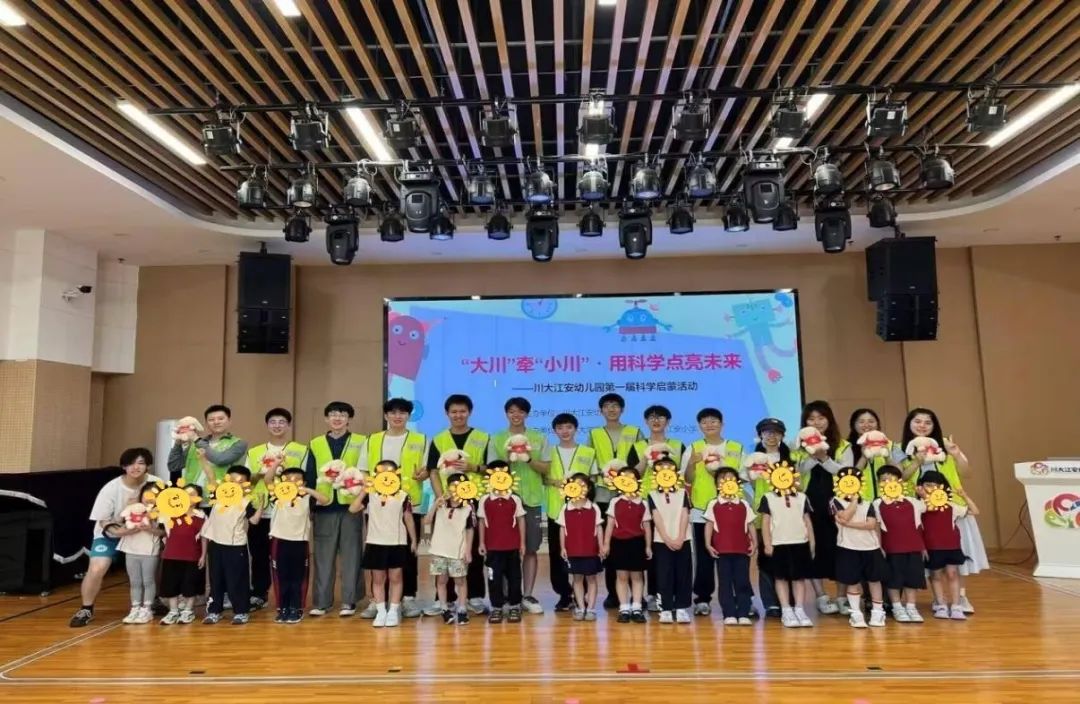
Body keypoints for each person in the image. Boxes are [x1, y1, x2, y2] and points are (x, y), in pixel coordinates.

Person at [900, 407, 987, 614]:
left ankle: (961, 597)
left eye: (928, 422)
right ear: (909, 424)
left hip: (953, 510)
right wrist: (917, 461)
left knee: (958, 556)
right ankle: (938, 599)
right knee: (933, 559)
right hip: (924, 512)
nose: (922, 425)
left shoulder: (947, 447)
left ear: (935, 426)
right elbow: (901, 478)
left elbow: (967, 473)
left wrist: (956, 455)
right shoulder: (903, 451)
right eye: (917, 421)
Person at [358, 398, 428, 618]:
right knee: (377, 554)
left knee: (407, 554)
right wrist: (369, 492)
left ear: (408, 416)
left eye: (402, 413)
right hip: (378, 507)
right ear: (386, 416)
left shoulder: (421, 439)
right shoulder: (372, 440)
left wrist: (423, 474)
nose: (398, 416)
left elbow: (428, 469)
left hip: (409, 504)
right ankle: (376, 601)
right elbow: (363, 470)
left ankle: (407, 598)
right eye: (393, 412)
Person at [70, 447, 154, 628]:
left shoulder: (156, 484)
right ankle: (86, 608)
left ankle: (154, 601)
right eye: (130, 463)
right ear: (124, 466)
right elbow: (102, 520)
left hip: (144, 534)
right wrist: (120, 532)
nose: (135, 467)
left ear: (148, 465)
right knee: (97, 567)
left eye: (140, 463)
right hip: (112, 533)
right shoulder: (111, 488)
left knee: (159, 561)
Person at [428, 394, 490, 614]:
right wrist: (441, 498)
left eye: (462, 411)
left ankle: (474, 596)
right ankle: (443, 599)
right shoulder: (438, 439)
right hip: (447, 504)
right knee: (445, 549)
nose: (458, 415)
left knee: (471, 549)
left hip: (474, 501)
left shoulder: (483, 437)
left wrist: (474, 467)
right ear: (447, 413)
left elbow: (492, 469)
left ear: (469, 412)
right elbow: (433, 471)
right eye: (454, 411)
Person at [304, 401, 367, 618]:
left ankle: (350, 600)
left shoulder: (361, 441)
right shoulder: (315, 443)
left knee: (352, 554)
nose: (337, 418)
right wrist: (311, 505)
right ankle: (322, 602)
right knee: (323, 556)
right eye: (332, 414)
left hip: (351, 506)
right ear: (326, 419)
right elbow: (310, 475)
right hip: (324, 506)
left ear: (349, 419)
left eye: (342, 414)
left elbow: (366, 472)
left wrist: (362, 501)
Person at [489, 397, 549, 615]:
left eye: (521, 411)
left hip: (531, 500)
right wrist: (508, 457)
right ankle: (507, 596)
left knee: (530, 549)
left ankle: (528, 595)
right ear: (506, 414)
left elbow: (546, 468)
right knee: (504, 550)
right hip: (503, 501)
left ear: (526, 414)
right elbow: (492, 470)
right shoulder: (497, 439)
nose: (516, 415)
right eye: (512, 411)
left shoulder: (538, 438)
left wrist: (528, 458)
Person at [683, 407, 744, 616]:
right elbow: (687, 479)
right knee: (703, 558)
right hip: (701, 511)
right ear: (699, 426)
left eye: (713, 421)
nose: (709, 425)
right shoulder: (694, 448)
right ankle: (702, 599)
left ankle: (740, 598)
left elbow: (744, 476)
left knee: (734, 557)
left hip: (731, 511)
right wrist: (691, 464)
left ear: (722, 423)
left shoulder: (736, 447)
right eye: (704, 422)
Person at [246, 407, 307, 612]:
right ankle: (259, 593)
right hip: (261, 508)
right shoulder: (254, 452)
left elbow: (306, 478)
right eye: (273, 421)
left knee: (287, 556)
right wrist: (261, 474)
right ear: (267, 425)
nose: (277, 425)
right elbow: (247, 481)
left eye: (282, 422)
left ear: (288, 425)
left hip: (288, 511)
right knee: (259, 554)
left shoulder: (301, 450)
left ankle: (288, 597)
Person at [587, 393, 642, 609]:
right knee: (611, 546)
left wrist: (629, 481)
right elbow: (590, 464)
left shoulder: (634, 432)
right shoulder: (594, 434)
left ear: (622, 409)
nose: (611, 409)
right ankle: (613, 593)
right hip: (603, 495)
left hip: (630, 496)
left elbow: (641, 462)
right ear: (601, 410)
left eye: (616, 405)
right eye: (607, 406)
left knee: (633, 545)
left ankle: (637, 597)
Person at [627, 404, 683, 612]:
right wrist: (646, 457)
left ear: (668, 421)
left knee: (669, 549)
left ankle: (672, 592)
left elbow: (683, 474)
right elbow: (632, 475)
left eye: (660, 417)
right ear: (646, 422)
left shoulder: (677, 445)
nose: (656, 420)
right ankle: (652, 594)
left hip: (671, 504)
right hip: (645, 503)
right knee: (649, 550)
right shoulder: (638, 446)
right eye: (651, 417)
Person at [793, 400, 846, 616]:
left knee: (841, 548)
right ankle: (821, 596)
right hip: (809, 504)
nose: (816, 422)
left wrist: (824, 457)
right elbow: (796, 474)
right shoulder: (797, 447)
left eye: (821, 418)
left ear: (829, 420)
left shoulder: (842, 445)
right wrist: (811, 455)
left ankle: (842, 596)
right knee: (813, 548)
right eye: (811, 419)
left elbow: (846, 473)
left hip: (838, 504)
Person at [351, 460, 418, 628]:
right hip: (375, 542)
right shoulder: (370, 495)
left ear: (396, 474)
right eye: (381, 472)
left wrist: (414, 540)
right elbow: (353, 508)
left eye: (390, 472)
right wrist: (364, 490)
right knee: (378, 579)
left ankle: (393, 610)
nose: (386, 476)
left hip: (397, 542)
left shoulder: (403, 495)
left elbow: (408, 518)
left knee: (396, 577)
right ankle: (381, 611)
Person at [542, 413, 597, 611]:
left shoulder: (588, 452)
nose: (565, 431)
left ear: (576, 429)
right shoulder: (548, 452)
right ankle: (564, 595)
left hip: (581, 512)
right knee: (557, 554)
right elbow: (543, 478)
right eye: (560, 428)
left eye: (569, 427)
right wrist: (557, 482)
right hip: (556, 510)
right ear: (554, 431)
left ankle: (580, 594)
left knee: (582, 553)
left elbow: (593, 478)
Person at [201, 464, 263, 625]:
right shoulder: (218, 495)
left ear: (246, 484)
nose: (236, 484)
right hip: (216, 544)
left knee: (237, 580)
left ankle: (241, 611)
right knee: (216, 579)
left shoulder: (246, 502)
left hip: (236, 546)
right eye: (233, 480)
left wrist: (261, 505)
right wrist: (202, 458)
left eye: (241, 482)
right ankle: (215, 611)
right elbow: (210, 475)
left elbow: (254, 521)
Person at [269, 468, 331, 624]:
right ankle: (282, 608)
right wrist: (275, 464)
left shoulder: (307, 498)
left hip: (300, 542)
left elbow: (326, 500)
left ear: (303, 482)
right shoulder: (277, 495)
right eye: (288, 479)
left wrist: (307, 490)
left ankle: (296, 608)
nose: (292, 482)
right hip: (279, 541)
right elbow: (268, 480)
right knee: (281, 577)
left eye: (297, 479)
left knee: (298, 577)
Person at [918, 471, 981, 620]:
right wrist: (924, 496)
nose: (931, 488)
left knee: (952, 574)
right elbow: (929, 510)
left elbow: (975, 511)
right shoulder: (921, 506)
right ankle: (940, 604)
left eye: (935, 485)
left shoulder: (951, 506)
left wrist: (964, 496)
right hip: (932, 547)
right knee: (935, 575)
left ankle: (956, 606)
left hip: (951, 546)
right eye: (927, 485)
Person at [831, 468, 889, 628]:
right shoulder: (835, 501)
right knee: (852, 580)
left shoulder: (869, 503)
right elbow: (845, 515)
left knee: (874, 580)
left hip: (871, 547)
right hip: (848, 547)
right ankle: (856, 614)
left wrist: (848, 524)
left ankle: (878, 613)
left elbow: (871, 524)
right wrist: (854, 501)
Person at [758, 468, 815, 628]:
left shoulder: (802, 497)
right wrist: (767, 543)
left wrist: (812, 543)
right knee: (780, 577)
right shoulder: (768, 497)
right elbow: (765, 522)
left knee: (799, 578)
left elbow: (807, 521)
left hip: (800, 542)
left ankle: (799, 609)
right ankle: (786, 610)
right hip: (778, 543)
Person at [872, 465, 927, 623]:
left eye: (892, 479)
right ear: (879, 484)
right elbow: (877, 527)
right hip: (892, 547)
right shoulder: (877, 503)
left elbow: (929, 506)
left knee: (912, 578)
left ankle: (911, 607)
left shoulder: (912, 501)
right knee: (894, 579)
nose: (888, 482)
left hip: (913, 546)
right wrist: (880, 547)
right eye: (884, 480)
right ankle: (897, 607)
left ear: (899, 481)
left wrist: (923, 495)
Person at [748, 418, 791, 618]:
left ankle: (788, 601)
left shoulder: (790, 457)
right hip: (762, 513)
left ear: (782, 435)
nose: (771, 436)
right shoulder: (753, 458)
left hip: (787, 513)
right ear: (760, 435)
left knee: (786, 556)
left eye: (776, 432)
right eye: (767, 432)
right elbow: (746, 480)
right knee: (765, 558)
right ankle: (771, 603)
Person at [703, 467, 756, 626]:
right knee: (725, 583)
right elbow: (709, 525)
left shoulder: (744, 504)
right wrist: (708, 544)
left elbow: (750, 524)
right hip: (722, 550)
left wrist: (755, 543)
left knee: (742, 581)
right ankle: (729, 613)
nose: (728, 481)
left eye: (732, 478)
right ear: (717, 484)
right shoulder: (713, 503)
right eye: (723, 478)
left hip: (742, 550)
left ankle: (743, 612)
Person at [477, 460, 527, 623]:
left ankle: (514, 606)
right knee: (494, 579)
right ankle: (496, 607)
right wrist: (482, 543)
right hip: (492, 548)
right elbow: (481, 521)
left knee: (514, 578)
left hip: (512, 547)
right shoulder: (484, 499)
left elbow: (521, 520)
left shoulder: (515, 498)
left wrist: (522, 544)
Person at [423, 472, 475, 625]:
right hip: (439, 550)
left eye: (460, 486)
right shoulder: (441, 504)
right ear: (448, 487)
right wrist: (435, 504)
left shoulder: (468, 507)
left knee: (460, 581)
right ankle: (444, 609)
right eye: (453, 486)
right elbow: (427, 521)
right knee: (441, 580)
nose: (455, 489)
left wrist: (468, 550)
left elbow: (470, 530)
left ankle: (462, 609)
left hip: (457, 551)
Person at [602, 466, 651, 624]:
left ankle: (636, 607)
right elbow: (610, 525)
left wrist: (648, 546)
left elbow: (647, 526)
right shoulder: (615, 502)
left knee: (637, 576)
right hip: (619, 543)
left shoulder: (643, 503)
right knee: (621, 576)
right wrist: (606, 544)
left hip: (637, 543)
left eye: (632, 478)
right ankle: (624, 608)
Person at [167, 404, 248, 498]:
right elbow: (174, 466)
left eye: (221, 419)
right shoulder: (195, 444)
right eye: (211, 420)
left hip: (221, 497)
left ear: (229, 421)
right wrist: (178, 442)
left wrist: (195, 438)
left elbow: (220, 459)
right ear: (206, 423)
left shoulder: (239, 443)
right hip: (191, 498)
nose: (216, 422)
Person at [648, 457, 693, 624]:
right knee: (664, 574)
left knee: (683, 573)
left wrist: (680, 537)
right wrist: (667, 539)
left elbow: (684, 514)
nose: (665, 470)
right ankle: (665, 608)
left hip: (683, 539)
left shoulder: (682, 493)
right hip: (661, 541)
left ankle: (681, 608)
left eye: (669, 467)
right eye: (661, 467)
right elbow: (656, 517)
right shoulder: (652, 495)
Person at [557, 473, 605, 622]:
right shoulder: (565, 508)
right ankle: (580, 607)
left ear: (589, 488)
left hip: (590, 550)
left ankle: (591, 609)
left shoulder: (594, 507)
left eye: (583, 485)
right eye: (575, 484)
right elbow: (562, 529)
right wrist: (563, 547)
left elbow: (599, 528)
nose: (579, 488)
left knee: (591, 578)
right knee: (577, 579)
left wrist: (601, 546)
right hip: (573, 550)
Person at [158, 485, 206, 626]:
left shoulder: (201, 516)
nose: (188, 497)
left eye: (192, 494)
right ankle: (173, 611)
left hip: (192, 556)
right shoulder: (169, 513)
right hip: (171, 556)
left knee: (190, 584)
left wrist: (203, 556)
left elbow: (204, 537)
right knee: (171, 584)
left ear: (198, 498)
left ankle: (188, 611)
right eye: (185, 494)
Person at [117, 483, 164, 625]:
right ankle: (135, 608)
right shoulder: (132, 509)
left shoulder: (160, 513)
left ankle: (147, 609)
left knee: (148, 580)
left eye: (154, 495)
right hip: (131, 549)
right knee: (134, 581)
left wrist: (149, 528)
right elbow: (122, 525)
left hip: (149, 551)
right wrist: (129, 528)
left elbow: (163, 532)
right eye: (146, 494)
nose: (149, 498)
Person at [839, 408, 907, 502]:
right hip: (859, 501)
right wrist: (863, 457)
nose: (867, 425)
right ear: (853, 425)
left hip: (887, 499)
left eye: (871, 421)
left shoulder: (890, 445)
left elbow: (899, 474)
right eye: (861, 422)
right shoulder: (847, 447)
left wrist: (887, 457)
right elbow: (849, 478)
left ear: (877, 424)